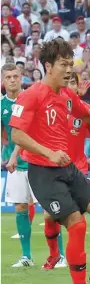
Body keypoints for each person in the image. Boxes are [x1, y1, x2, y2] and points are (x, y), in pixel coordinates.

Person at [9, 39, 90, 284]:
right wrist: (48, 152)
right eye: (64, 64)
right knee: (77, 225)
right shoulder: (31, 94)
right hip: (43, 172)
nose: (70, 69)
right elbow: (17, 134)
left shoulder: (67, 95)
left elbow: (85, 112)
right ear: (48, 66)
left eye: (71, 63)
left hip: (67, 168)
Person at [2, 63, 41, 267]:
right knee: (20, 207)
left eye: (15, 76)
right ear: (3, 80)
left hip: (36, 161)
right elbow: (4, 135)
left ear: (21, 78)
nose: (12, 80)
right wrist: (5, 154)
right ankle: (26, 256)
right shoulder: (2, 106)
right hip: (15, 165)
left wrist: (14, 155)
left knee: (52, 210)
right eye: (8, 77)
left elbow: (26, 132)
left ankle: (59, 255)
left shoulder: (31, 100)